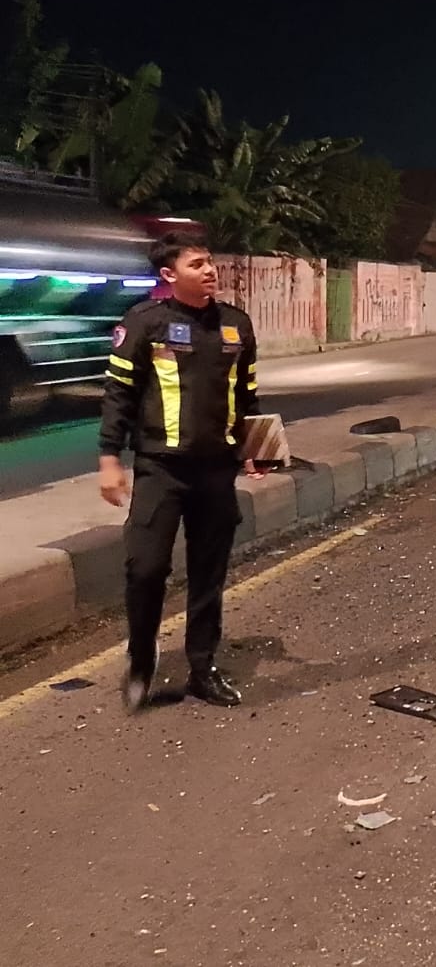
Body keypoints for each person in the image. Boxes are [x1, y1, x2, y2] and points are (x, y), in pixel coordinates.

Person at [99, 230, 262, 713]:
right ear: (170, 275)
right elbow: (118, 395)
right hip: (160, 469)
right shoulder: (145, 323)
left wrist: (254, 447)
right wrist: (110, 458)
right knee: (145, 568)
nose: (210, 271)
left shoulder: (236, 324)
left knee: (209, 574)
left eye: (211, 262)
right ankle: (141, 664)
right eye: (197, 265)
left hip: (217, 471)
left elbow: (247, 394)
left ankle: (202, 667)